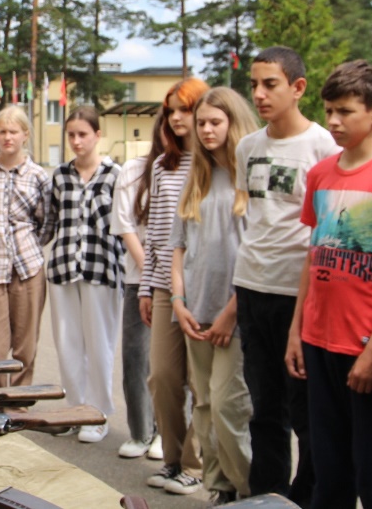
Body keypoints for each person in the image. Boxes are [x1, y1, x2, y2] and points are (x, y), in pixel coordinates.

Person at [284, 61, 372, 509]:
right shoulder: (320, 174)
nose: (334, 122)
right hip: (318, 341)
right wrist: (296, 331)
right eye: (329, 111)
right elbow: (313, 255)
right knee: (328, 468)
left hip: (363, 347)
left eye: (345, 112)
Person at [234, 45, 339, 507]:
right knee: (263, 410)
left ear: (297, 88)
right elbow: (255, 216)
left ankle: (308, 496)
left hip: (299, 296)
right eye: (254, 84)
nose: (258, 94)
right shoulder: (247, 146)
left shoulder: (322, 147)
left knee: (307, 411)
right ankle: (267, 496)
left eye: (270, 84)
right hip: (251, 287)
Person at [170, 87, 257, 504]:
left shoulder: (250, 177)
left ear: (233, 122)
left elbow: (262, 253)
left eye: (214, 122)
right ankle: (219, 488)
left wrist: (231, 312)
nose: (205, 130)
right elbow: (178, 249)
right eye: (201, 122)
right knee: (203, 408)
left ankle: (249, 489)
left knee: (228, 407)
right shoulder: (197, 178)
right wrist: (177, 302)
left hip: (234, 315)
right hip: (194, 312)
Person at [142, 77, 209, 495]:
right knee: (163, 376)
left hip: (206, 287)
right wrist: (146, 288)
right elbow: (155, 233)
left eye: (186, 108)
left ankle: (195, 465)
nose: (178, 117)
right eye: (171, 111)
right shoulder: (161, 165)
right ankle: (171, 457)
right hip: (166, 285)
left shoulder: (218, 163)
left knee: (204, 384)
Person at [45, 106, 125, 443]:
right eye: (71, 135)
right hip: (63, 267)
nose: (77, 141)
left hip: (101, 268)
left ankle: (97, 412)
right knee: (68, 344)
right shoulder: (60, 175)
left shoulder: (116, 175)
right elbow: (51, 221)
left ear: (97, 135)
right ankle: (74, 407)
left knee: (100, 343)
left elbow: (126, 224)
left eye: (83, 134)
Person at [0, 104, 51, 390]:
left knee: (24, 346)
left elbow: (47, 223)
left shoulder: (38, 176)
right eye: (1, 131)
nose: (7, 137)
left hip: (27, 269)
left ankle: (18, 405)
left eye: (13, 131)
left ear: (25, 135)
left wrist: (27, 246)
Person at [110, 112, 165, 460]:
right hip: (138, 278)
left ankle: (167, 432)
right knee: (135, 357)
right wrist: (149, 272)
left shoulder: (191, 169)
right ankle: (140, 432)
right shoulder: (133, 169)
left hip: (178, 283)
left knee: (171, 366)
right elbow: (124, 223)